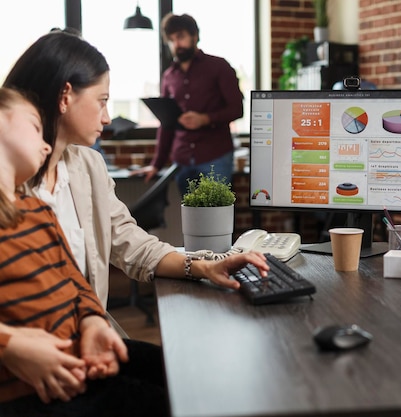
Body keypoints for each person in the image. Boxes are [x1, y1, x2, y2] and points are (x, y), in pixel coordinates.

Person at [3, 29, 269, 314]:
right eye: (102, 101)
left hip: (91, 334)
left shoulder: (89, 166)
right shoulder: (11, 184)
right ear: (65, 96)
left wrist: (205, 267)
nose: (106, 117)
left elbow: (133, 244)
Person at [0, 86, 166, 416]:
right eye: (35, 126)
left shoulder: (37, 211)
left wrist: (91, 322)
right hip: (30, 390)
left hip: (83, 362)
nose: (46, 144)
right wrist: (11, 345)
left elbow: (76, 283)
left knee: (178, 375)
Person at [139, 13, 244, 195]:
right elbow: (166, 123)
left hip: (215, 156)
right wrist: (156, 164)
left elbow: (237, 109)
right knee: (190, 221)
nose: (176, 44)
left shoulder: (219, 66)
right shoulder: (169, 76)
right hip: (182, 159)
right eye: (171, 40)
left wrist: (205, 119)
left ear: (195, 36)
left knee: (217, 219)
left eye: (180, 37)